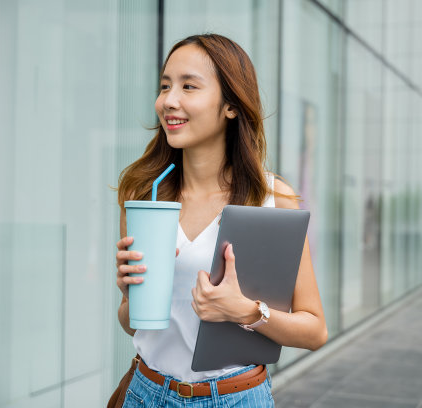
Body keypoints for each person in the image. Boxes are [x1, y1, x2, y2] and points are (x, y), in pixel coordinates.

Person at [115, 34, 327, 407]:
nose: (169, 101)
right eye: (165, 86)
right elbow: (133, 323)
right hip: (147, 393)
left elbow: (315, 330)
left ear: (230, 106)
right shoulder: (144, 194)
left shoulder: (274, 200)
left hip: (235, 398)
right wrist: (132, 295)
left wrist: (245, 310)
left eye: (188, 86)